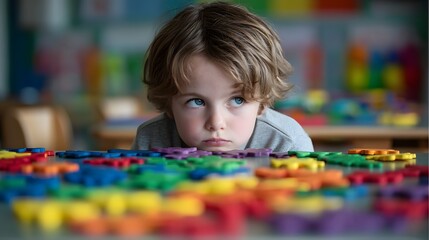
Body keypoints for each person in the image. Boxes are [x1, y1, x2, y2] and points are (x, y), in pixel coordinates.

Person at [131, 1, 313, 152]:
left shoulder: (287, 143)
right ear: (169, 102)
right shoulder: (151, 141)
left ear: (262, 102)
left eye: (237, 100)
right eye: (196, 102)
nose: (216, 123)